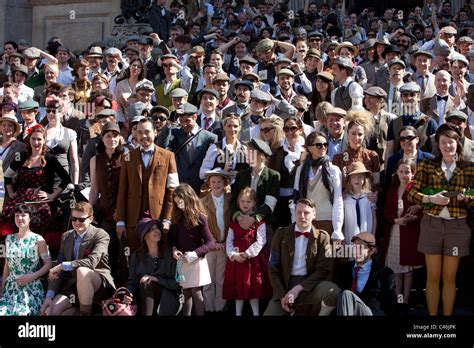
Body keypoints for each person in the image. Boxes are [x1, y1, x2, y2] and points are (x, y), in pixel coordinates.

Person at [408, 124, 474, 316]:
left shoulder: (469, 168)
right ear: (438, 144)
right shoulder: (428, 165)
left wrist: (466, 197)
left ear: (458, 143)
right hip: (432, 225)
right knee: (433, 276)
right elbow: (412, 192)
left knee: (450, 277)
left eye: (451, 142)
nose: (447, 146)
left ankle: (447, 319)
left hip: (457, 226)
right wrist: (430, 198)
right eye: (443, 142)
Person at [264, 198, 341, 316]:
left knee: (333, 291)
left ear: (314, 215)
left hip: (309, 286)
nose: (302, 216)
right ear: (294, 213)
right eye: (299, 212)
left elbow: (323, 270)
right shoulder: (280, 234)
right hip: (286, 285)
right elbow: (273, 268)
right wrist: (281, 295)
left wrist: (298, 289)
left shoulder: (323, 238)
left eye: (306, 213)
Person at [116, 118, 179, 254]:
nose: (143, 136)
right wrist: (120, 220)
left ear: (155, 132)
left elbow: (172, 189)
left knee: (158, 255)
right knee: (134, 256)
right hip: (133, 217)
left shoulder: (168, 156)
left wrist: (168, 218)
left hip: (158, 216)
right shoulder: (127, 157)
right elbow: (122, 189)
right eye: (139, 132)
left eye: (147, 132)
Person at [41, 202, 115, 316]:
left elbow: (92, 262)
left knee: (82, 271)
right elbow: (57, 270)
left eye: (81, 219)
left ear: (91, 219)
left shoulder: (101, 235)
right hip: (72, 286)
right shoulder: (66, 236)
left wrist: (63, 266)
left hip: (97, 283)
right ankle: (88, 312)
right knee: (49, 311)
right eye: (74, 219)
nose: (76, 223)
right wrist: (49, 296)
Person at [0, 125, 71, 236]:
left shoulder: (50, 158)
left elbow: (66, 179)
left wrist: (52, 196)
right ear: (29, 139)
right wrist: (11, 193)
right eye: (33, 139)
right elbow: (7, 176)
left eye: (39, 139)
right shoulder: (21, 156)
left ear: (44, 140)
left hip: (40, 201)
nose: (36, 142)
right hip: (20, 198)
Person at [381, 159, 424, 306]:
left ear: (413, 173)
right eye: (401, 172)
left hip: (410, 234)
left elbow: (425, 212)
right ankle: (398, 299)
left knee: (408, 271)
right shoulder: (392, 190)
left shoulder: (417, 191)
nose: (404, 175)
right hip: (395, 233)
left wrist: (415, 216)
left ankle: (406, 301)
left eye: (408, 172)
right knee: (398, 271)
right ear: (397, 173)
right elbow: (386, 213)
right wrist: (395, 220)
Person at [223, 187, 272, 316]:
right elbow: (229, 241)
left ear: (254, 203)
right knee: (238, 290)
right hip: (237, 262)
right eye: (243, 201)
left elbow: (261, 241)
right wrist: (234, 255)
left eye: (249, 201)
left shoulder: (259, 222)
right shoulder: (234, 223)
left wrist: (247, 254)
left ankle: (256, 314)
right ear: (238, 202)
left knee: (253, 288)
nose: (245, 204)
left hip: (253, 262)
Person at [171, 184, 214, 316]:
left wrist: (195, 253)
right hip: (184, 261)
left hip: (196, 260)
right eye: (177, 203)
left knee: (196, 291)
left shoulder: (200, 217)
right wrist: (174, 250)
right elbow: (174, 240)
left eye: (181, 201)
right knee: (186, 293)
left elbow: (210, 242)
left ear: (189, 199)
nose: (179, 205)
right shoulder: (178, 218)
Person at [0, 204, 52, 315]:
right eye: (17, 215)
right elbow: (7, 265)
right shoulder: (9, 239)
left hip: (30, 288)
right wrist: (3, 287)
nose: (19, 218)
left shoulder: (38, 239)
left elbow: (48, 264)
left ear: (30, 218)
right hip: (11, 288)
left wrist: (32, 276)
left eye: (23, 215)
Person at [89, 122, 124, 283]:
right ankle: (108, 285)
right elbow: (94, 189)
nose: (112, 139)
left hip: (123, 210)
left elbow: (130, 188)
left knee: (123, 250)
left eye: (115, 135)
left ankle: (124, 286)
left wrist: (122, 209)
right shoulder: (95, 160)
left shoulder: (127, 157)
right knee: (106, 249)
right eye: (108, 135)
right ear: (102, 139)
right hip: (105, 210)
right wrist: (89, 212)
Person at [293, 131, 344, 240]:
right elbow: (296, 199)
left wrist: (337, 229)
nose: (323, 148)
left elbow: (338, 200)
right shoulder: (301, 170)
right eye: (319, 145)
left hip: (328, 221)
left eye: (325, 145)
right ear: (310, 148)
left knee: (326, 255)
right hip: (307, 220)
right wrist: (294, 222)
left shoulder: (333, 170)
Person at [126, 218, 180, 316]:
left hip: (166, 300)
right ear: (144, 236)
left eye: (157, 228)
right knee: (145, 283)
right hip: (144, 299)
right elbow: (132, 281)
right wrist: (128, 293)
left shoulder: (169, 253)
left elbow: (176, 283)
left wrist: (155, 279)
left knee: (147, 282)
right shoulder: (137, 255)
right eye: (151, 229)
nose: (157, 231)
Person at [230, 139, 280, 245]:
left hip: (265, 224)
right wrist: (240, 218)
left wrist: (253, 219)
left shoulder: (273, 176)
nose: (246, 155)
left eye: (250, 152)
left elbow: (270, 204)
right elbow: (233, 201)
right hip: (241, 225)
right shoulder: (241, 175)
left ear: (261, 156)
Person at [335, 232, 397, 316]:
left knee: (347, 294)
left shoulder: (384, 273)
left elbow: (391, 302)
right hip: (348, 311)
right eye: (354, 247)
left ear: (371, 251)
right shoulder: (344, 269)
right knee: (344, 294)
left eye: (360, 248)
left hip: (371, 313)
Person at [166, 102, 218, 194]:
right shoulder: (175, 134)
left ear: (195, 117)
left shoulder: (210, 138)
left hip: (200, 187)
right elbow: (162, 144)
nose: (184, 125)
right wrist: (169, 124)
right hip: (179, 187)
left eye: (187, 121)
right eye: (181, 121)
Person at [201, 170, 231, 314]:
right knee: (208, 279)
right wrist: (212, 242)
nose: (216, 184)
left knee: (221, 279)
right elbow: (202, 226)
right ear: (209, 184)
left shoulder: (230, 200)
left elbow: (232, 222)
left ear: (225, 183)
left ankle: (220, 308)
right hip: (210, 246)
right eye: (213, 182)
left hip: (225, 245)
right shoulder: (203, 202)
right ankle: (208, 308)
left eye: (219, 181)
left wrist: (227, 242)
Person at [268, 117, 305, 228]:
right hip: (280, 203)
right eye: (286, 129)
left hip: (301, 200)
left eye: (293, 128)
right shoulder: (277, 153)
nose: (289, 132)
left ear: (300, 130)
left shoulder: (307, 153)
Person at [199, 114, 248, 185]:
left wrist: (239, 174)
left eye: (235, 126)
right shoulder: (215, 147)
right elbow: (202, 173)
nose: (232, 129)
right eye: (229, 126)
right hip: (219, 190)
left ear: (240, 128)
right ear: (224, 127)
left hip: (238, 191)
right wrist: (221, 172)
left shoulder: (244, 149)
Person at [43, 99, 79, 185]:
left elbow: (74, 161)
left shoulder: (70, 133)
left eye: (54, 111)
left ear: (61, 113)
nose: (50, 114)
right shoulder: (40, 132)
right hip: (44, 179)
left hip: (63, 180)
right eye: (48, 111)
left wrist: (75, 184)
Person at [342, 162, 376, 242]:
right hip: (350, 235)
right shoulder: (345, 198)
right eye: (353, 177)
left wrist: (373, 235)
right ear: (349, 179)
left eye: (360, 177)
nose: (357, 180)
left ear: (364, 179)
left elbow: (374, 218)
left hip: (366, 236)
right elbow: (342, 219)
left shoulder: (369, 197)